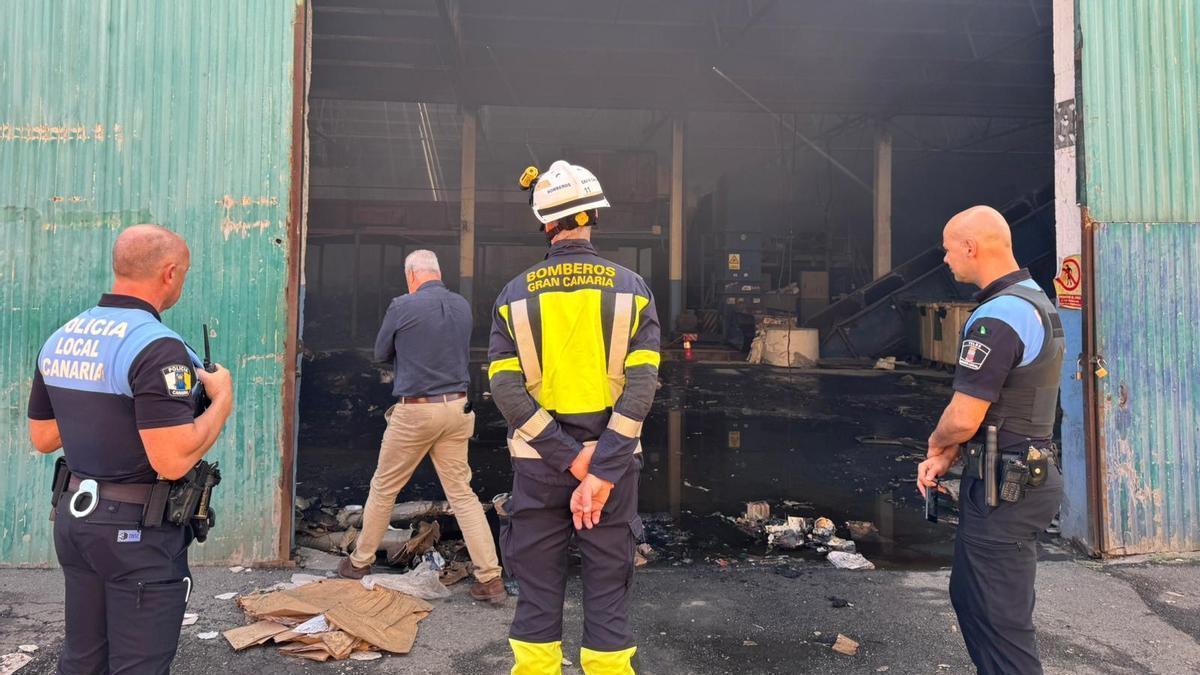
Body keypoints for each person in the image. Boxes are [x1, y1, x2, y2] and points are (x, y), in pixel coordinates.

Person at [27, 224, 234, 674]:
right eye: (184, 274)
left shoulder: (63, 336)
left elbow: (43, 437)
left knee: (84, 659)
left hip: (75, 521)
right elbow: (172, 458)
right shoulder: (159, 348)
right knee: (139, 664)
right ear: (170, 273)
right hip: (136, 533)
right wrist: (222, 401)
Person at [488, 160, 660, 674]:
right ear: (592, 217)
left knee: (538, 591)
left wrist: (569, 458)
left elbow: (504, 387)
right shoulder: (632, 289)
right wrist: (602, 468)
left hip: (539, 467)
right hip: (613, 467)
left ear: (546, 223)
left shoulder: (514, 295)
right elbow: (642, 386)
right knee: (608, 589)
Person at [917, 206, 1065, 675]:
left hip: (1009, 486)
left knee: (999, 623)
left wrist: (939, 444)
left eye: (947, 248)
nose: (945, 259)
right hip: (1018, 476)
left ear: (971, 247)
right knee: (976, 599)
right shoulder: (1034, 299)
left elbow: (963, 417)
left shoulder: (997, 317)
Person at [337, 250, 505, 604]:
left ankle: (360, 563)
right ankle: (490, 578)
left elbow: (381, 353)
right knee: (462, 494)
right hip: (458, 410)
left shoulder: (402, 305)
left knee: (384, 488)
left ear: (411, 275)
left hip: (416, 412)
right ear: (438, 273)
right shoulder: (461, 305)